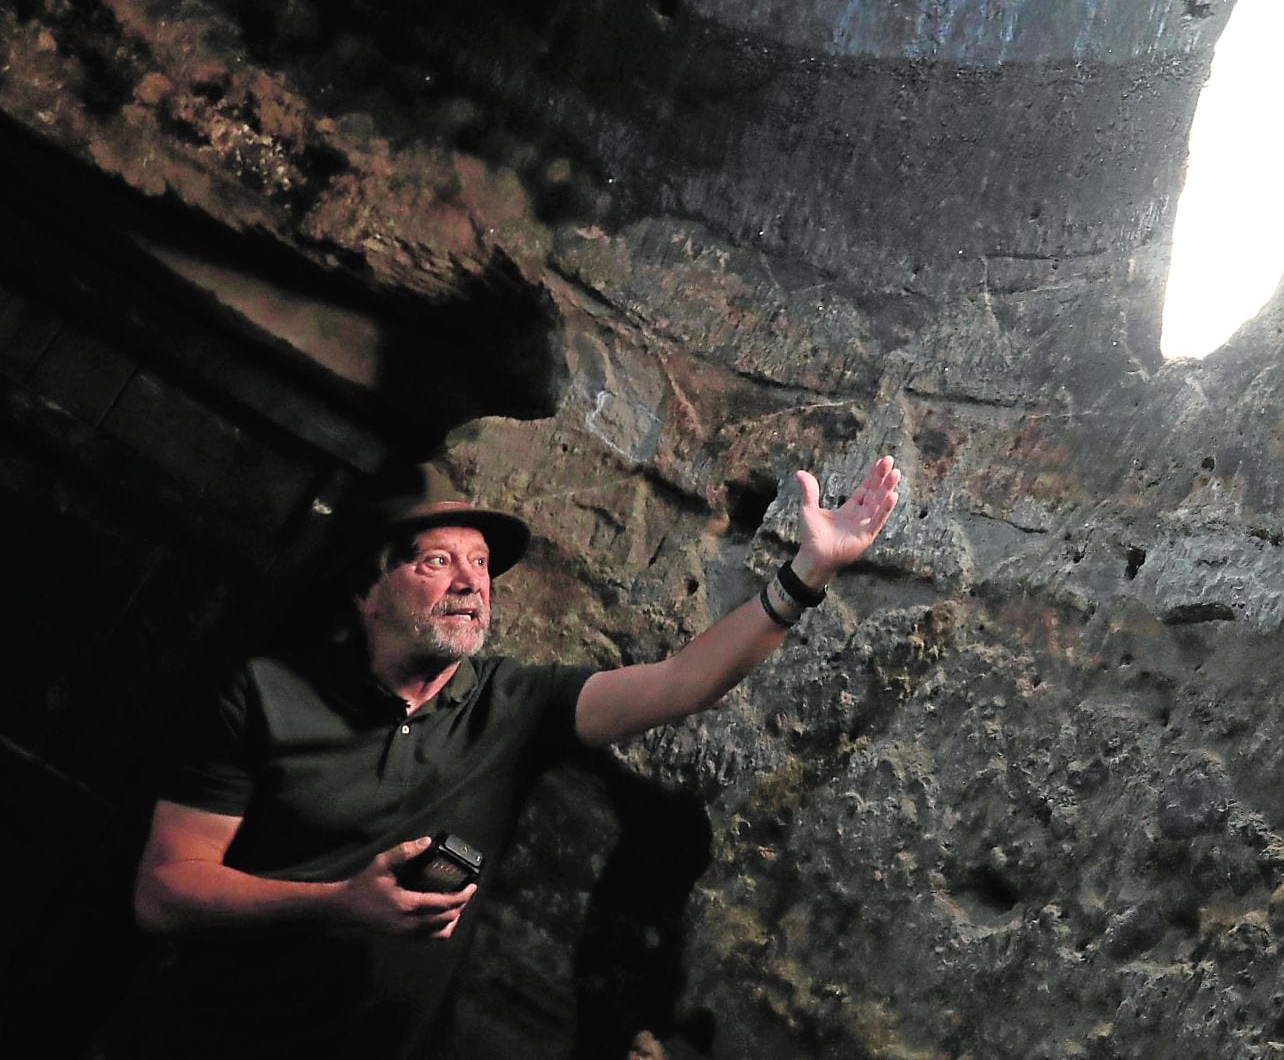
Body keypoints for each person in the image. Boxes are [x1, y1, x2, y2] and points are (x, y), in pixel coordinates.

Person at [117, 453, 902, 1060]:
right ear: (367, 590)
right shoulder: (267, 697)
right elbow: (164, 891)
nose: (473, 582)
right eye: (438, 561)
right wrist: (336, 899)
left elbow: (683, 682)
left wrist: (808, 573)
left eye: (482, 563)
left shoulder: (514, 705)